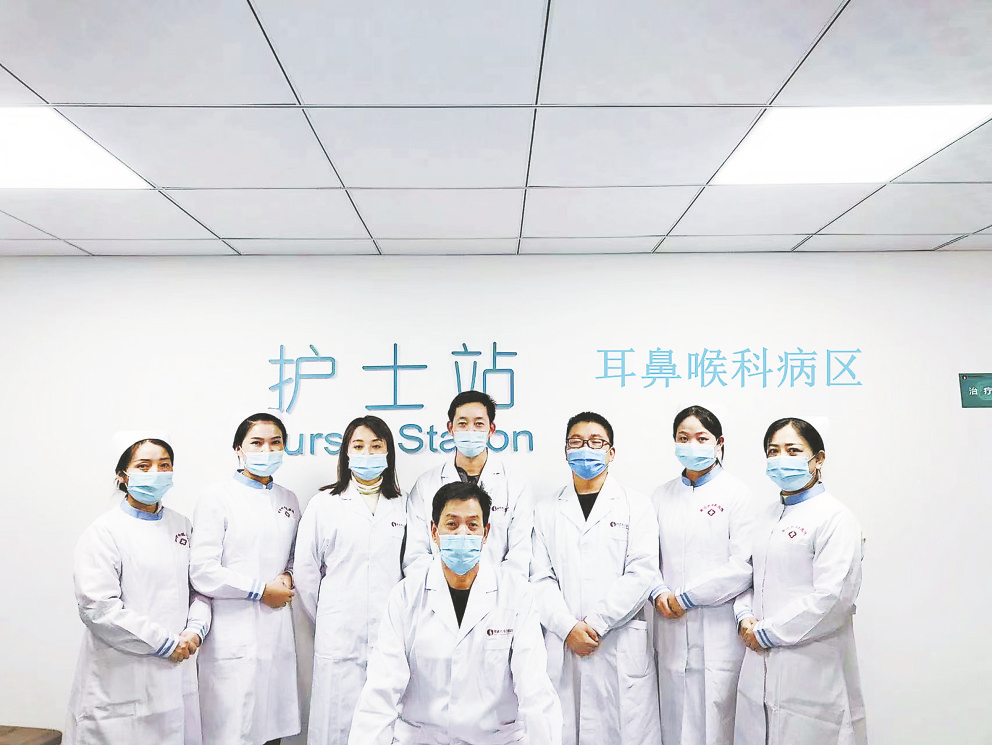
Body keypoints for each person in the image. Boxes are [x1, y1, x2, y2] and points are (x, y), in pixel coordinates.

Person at [349, 481, 562, 745]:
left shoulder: (516, 594)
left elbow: (535, 691)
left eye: (472, 525)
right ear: (434, 531)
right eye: (452, 524)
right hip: (423, 738)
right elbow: (380, 692)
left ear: (486, 533)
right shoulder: (405, 596)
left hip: (495, 739)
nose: (462, 532)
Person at [65, 431, 211, 744]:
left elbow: (200, 588)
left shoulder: (182, 526)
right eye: (144, 466)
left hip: (177, 671)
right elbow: (98, 609)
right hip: (121, 676)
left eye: (164, 465)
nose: (155, 472)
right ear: (123, 475)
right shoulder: (104, 532)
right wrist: (166, 643)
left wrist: (195, 631)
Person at [734, 417, 867, 745]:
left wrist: (766, 632)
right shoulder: (765, 516)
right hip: (758, 665)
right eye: (773, 451)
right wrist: (744, 616)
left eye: (793, 450)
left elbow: (834, 599)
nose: (781, 458)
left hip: (810, 668)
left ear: (818, 459)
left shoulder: (835, 518)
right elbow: (747, 577)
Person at [531, 411, 661, 745]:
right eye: (577, 442)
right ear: (566, 451)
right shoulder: (545, 510)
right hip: (564, 642)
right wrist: (567, 628)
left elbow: (641, 572)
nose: (586, 449)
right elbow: (540, 578)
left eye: (596, 442)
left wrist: (596, 624)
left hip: (616, 641)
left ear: (611, 452)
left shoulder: (636, 505)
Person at [294, 415, 407, 745]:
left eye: (376, 446)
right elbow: (305, 573)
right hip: (338, 635)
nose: (367, 453)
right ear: (346, 453)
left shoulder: (403, 505)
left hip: (389, 633)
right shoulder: (323, 504)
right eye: (358, 446)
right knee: (335, 725)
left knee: (386, 723)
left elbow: (410, 569)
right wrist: (333, 616)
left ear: (388, 453)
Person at [190, 413, 301, 745]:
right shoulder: (217, 496)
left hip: (275, 632)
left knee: (271, 730)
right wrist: (260, 590)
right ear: (238, 449)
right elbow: (202, 571)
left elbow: (295, 556)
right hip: (231, 634)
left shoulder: (288, 499)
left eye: (275, 443)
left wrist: (287, 576)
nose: (267, 450)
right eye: (257, 442)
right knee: (232, 731)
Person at [650, 405, 755, 745]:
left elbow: (743, 566)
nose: (691, 445)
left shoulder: (736, 494)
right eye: (683, 438)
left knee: (717, 722)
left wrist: (686, 597)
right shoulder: (661, 495)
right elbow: (646, 558)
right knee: (672, 721)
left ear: (719, 443)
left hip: (717, 633)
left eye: (701, 438)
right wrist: (658, 592)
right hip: (669, 628)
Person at [405, 390, 532, 577]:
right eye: (462, 423)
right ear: (451, 428)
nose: (470, 430)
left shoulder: (515, 484)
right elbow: (416, 555)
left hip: (500, 590)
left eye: (479, 424)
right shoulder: (426, 484)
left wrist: (492, 588)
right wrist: (447, 586)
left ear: (491, 429)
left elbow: (519, 556)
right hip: (438, 589)